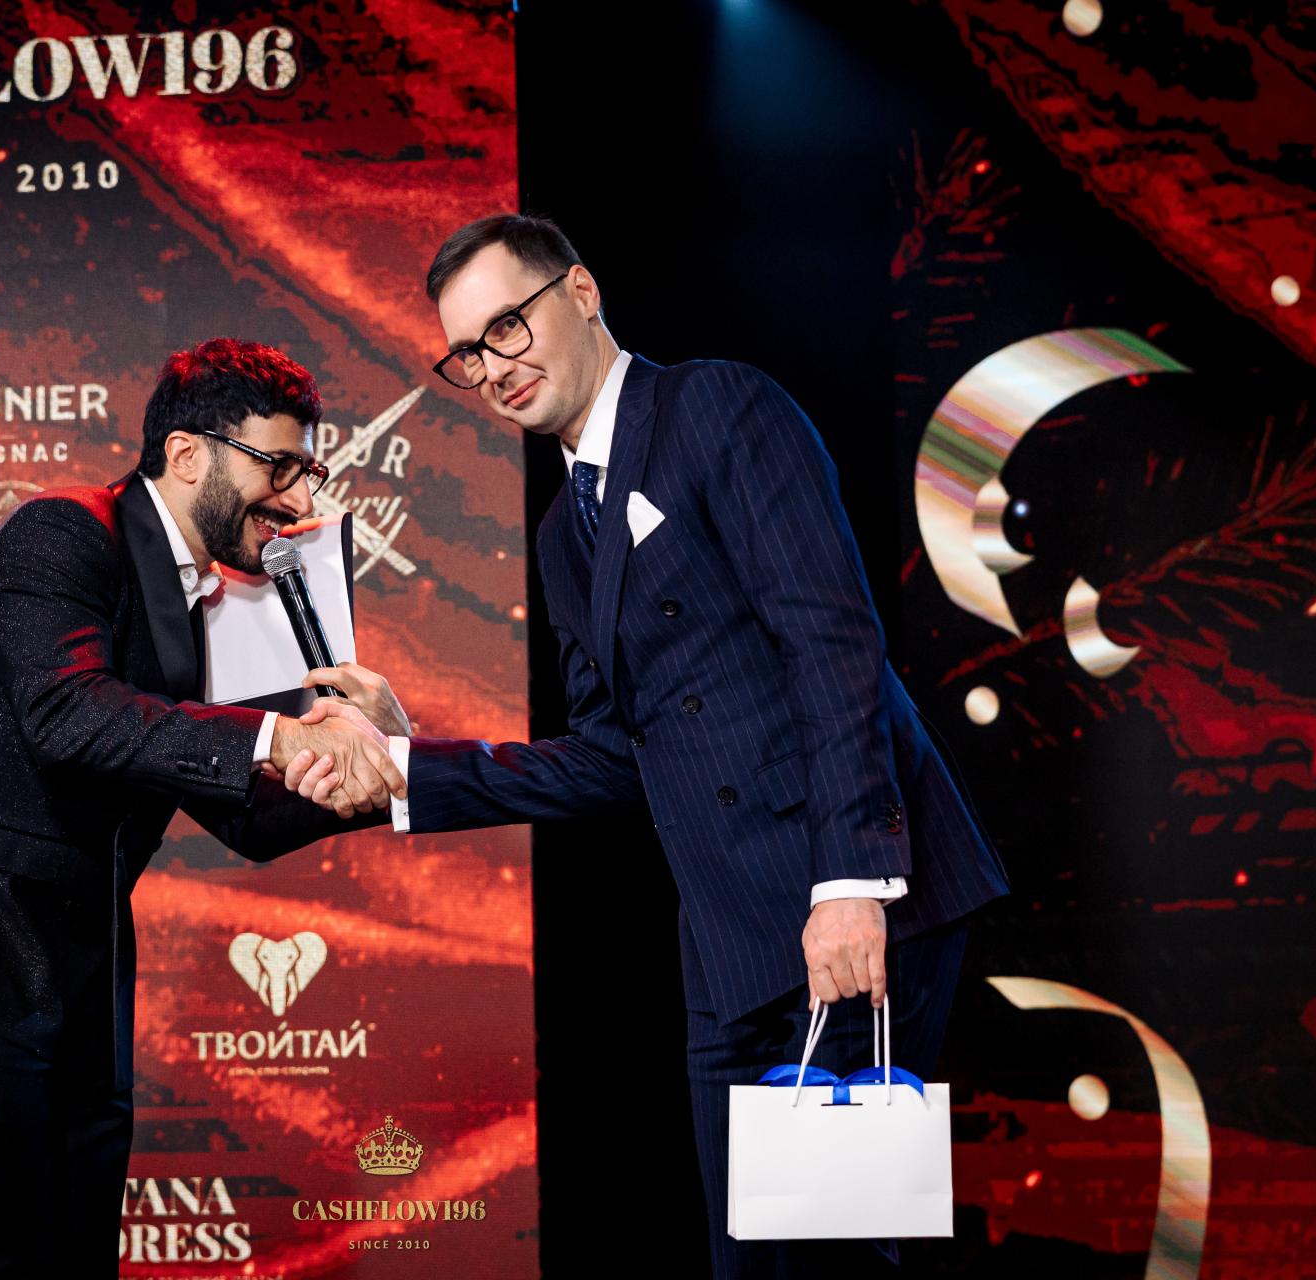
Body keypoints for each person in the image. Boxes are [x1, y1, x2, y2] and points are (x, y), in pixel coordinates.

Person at [291, 215, 1009, 1274]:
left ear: (581, 292)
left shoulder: (715, 407)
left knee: (831, 1257)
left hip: (849, 896)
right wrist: (406, 757)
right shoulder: (561, 535)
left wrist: (853, 882)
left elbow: (834, 643)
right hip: (727, 940)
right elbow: (612, 756)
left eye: (507, 326)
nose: (493, 366)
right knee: (747, 1258)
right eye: (467, 353)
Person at [0, 338, 407, 1278]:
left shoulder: (200, 602)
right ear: (187, 454)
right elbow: (67, 713)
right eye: (278, 466)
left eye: (308, 471)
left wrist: (390, 765)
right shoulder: (61, 530)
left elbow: (247, 817)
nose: (298, 497)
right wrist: (280, 735)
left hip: (79, 974)